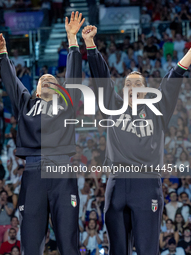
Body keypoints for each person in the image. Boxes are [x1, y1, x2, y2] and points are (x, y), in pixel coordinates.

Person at [82, 24, 191, 255]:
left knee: (146, 250)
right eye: (128, 83)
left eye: (138, 83)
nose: (132, 86)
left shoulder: (158, 109)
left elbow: (174, 77)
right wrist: (90, 44)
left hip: (146, 184)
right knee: (117, 251)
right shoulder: (112, 106)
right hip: (116, 183)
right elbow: (101, 77)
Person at [0, 11, 84, 254]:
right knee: (30, 241)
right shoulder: (28, 103)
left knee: (68, 240)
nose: (48, 80)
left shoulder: (67, 101)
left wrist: (73, 40)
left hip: (62, 171)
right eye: (43, 80)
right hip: (33, 172)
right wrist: (3, 53)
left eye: (53, 79)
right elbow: (10, 81)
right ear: (37, 90)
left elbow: (73, 76)